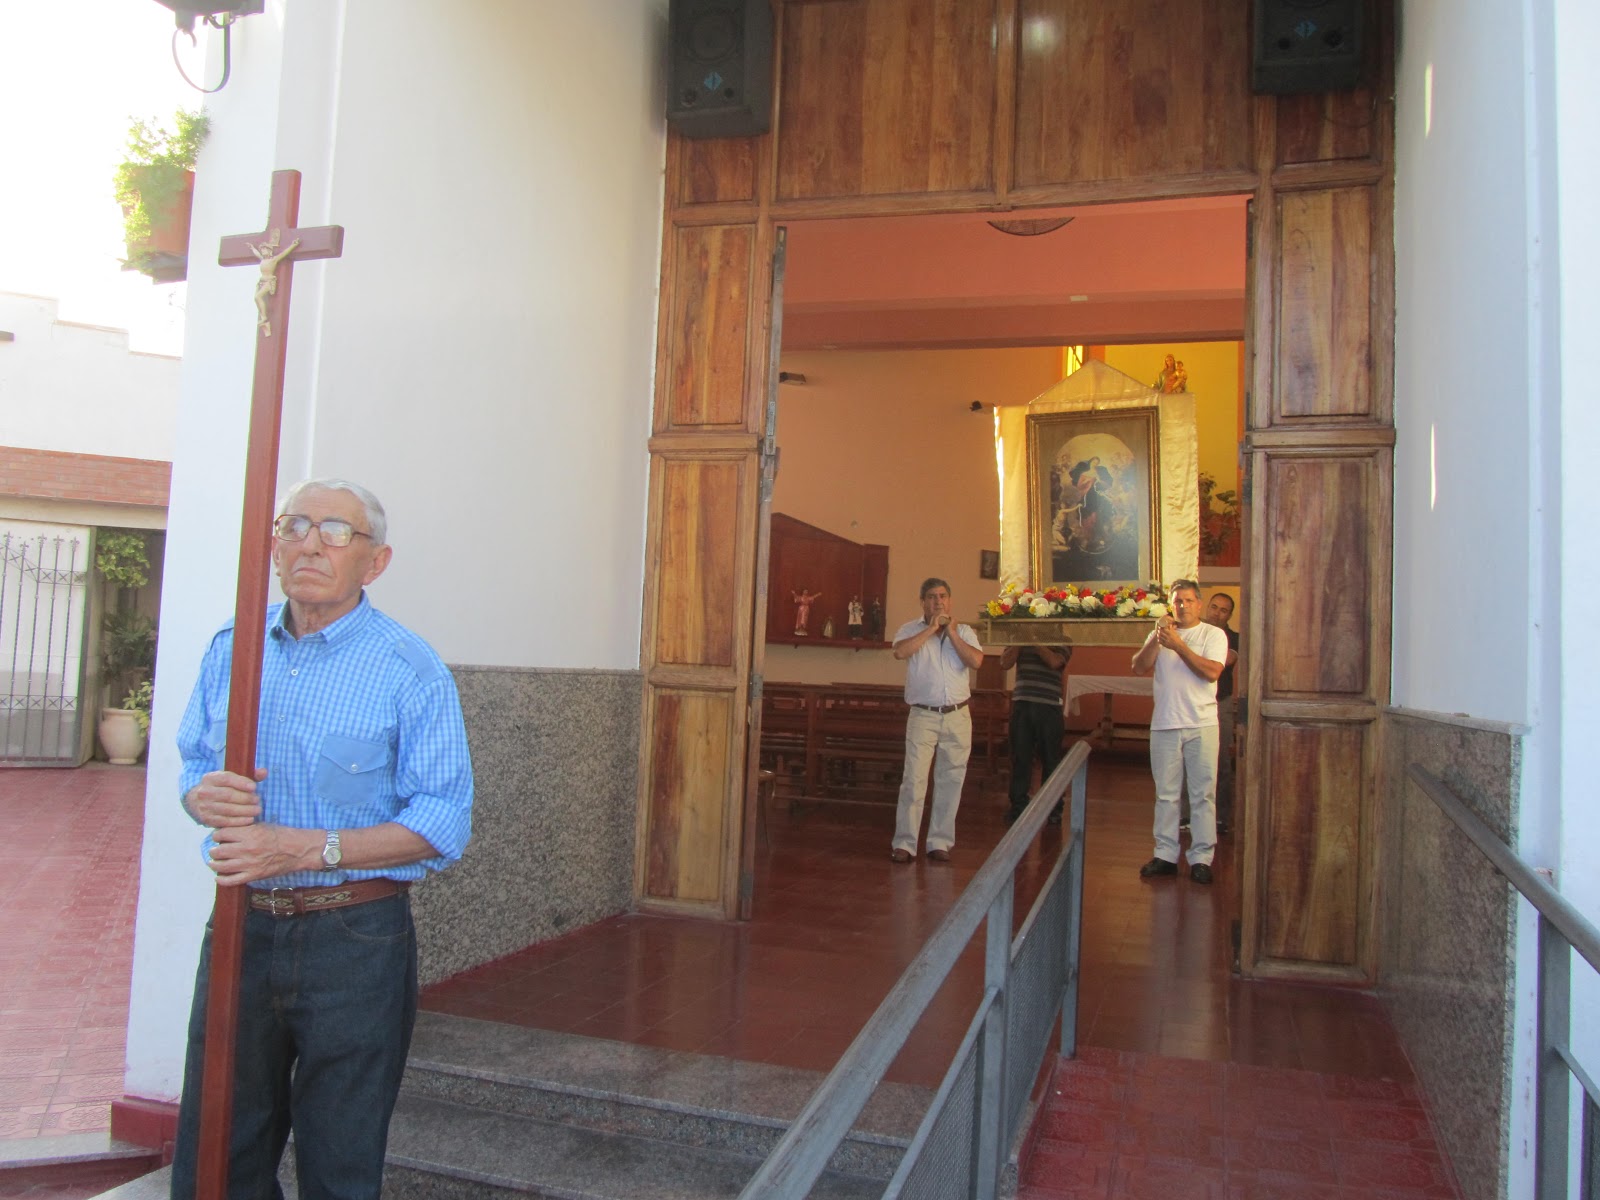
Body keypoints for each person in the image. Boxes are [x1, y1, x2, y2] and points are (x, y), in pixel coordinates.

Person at [169, 479, 475, 1200]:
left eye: (336, 532)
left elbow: (443, 821)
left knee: (341, 1156)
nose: (310, 544)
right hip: (241, 925)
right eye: (295, 527)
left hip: (354, 937)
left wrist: (306, 849)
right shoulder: (233, 648)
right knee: (217, 1151)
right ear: (275, 548)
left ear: (376, 562)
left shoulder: (409, 668)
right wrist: (199, 795)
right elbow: (192, 762)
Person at [1130, 579, 1227, 884]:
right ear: (1170, 606)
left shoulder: (1213, 634)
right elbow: (1138, 667)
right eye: (1177, 601)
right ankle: (1165, 855)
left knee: (1202, 794)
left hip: (1202, 723)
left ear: (1199, 603)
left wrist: (1179, 646)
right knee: (1166, 794)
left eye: (1188, 600)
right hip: (1165, 723)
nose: (1182, 606)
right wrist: (1157, 639)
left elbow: (1211, 672)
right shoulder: (1160, 635)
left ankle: (1201, 858)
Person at [889, 578, 984, 863]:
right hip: (923, 715)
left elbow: (976, 661)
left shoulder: (964, 631)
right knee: (914, 780)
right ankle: (905, 843)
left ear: (949, 601)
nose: (938, 601)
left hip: (958, 715)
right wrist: (931, 629)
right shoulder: (910, 629)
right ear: (923, 602)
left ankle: (939, 842)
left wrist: (951, 633)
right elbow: (900, 652)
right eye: (931, 597)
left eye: (943, 596)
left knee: (951, 779)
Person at [999, 642, 1072, 825]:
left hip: (1049, 705)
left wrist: (1034, 641)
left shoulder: (1063, 638)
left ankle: (1053, 809)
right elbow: (1005, 663)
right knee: (1020, 757)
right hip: (1022, 703)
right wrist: (1019, 642)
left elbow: (1054, 662)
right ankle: (1018, 807)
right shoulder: (1019, 637)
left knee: (1051, 760)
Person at [1205, 591, 1241, 834]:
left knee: (1221, 762)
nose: (1217, 613)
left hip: (1221, 702)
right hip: (1194, 702)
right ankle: (1187, 815)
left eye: (1223, 610)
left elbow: (1225, 660)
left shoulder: (1234, 638)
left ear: (1229, 615)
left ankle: (1220, 817)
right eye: (1214, 607)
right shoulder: (1195, 631)